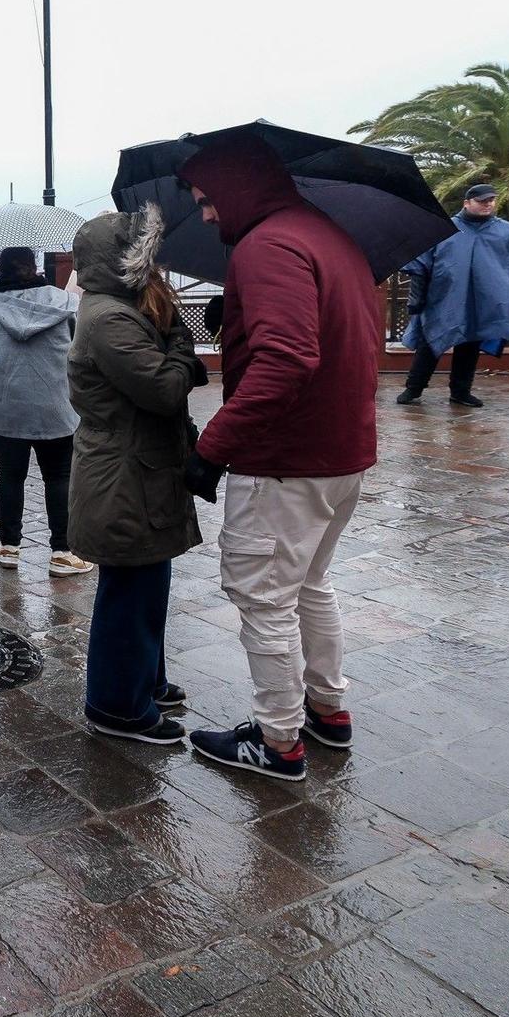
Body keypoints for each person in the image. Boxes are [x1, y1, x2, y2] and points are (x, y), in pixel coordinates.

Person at [177, 136, 379, 782]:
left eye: (208, 199)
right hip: (339, 455)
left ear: (238, 186)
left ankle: (278, 741)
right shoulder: (327, 236)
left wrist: (212, 448)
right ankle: (328, 710)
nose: (207, 214)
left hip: (285, 461)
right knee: (309, 583)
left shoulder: (267, 245)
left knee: (262, 595)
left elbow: (287, 359)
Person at [67, 211, 206, 744]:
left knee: (145, 589)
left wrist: (172, 339)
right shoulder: (109, 320)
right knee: (129, 595)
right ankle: (117, 707)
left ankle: (144, 682)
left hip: (136, 472)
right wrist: (182, 346)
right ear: (125, 261)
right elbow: (164, 390)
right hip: (123, 480)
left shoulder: (117, 309)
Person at [0, 247, 92, 577]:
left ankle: (9, 547)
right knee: (59, 476)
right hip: (57, 407)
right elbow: (81, 346)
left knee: (9, 475)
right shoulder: (65, 303)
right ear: (34, 267)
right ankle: (62, 552)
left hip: (4, 409)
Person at [397, 182, 509, 409]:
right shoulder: (442, 229)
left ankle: (461, 391)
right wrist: (416, 300)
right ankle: (414, 388)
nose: (487, 204)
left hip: (481, 302)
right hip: (442, 299)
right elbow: (421, 267)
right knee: (430, 342)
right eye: (482, 201)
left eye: (491, 200)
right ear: (467, 203)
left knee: (470, 346)